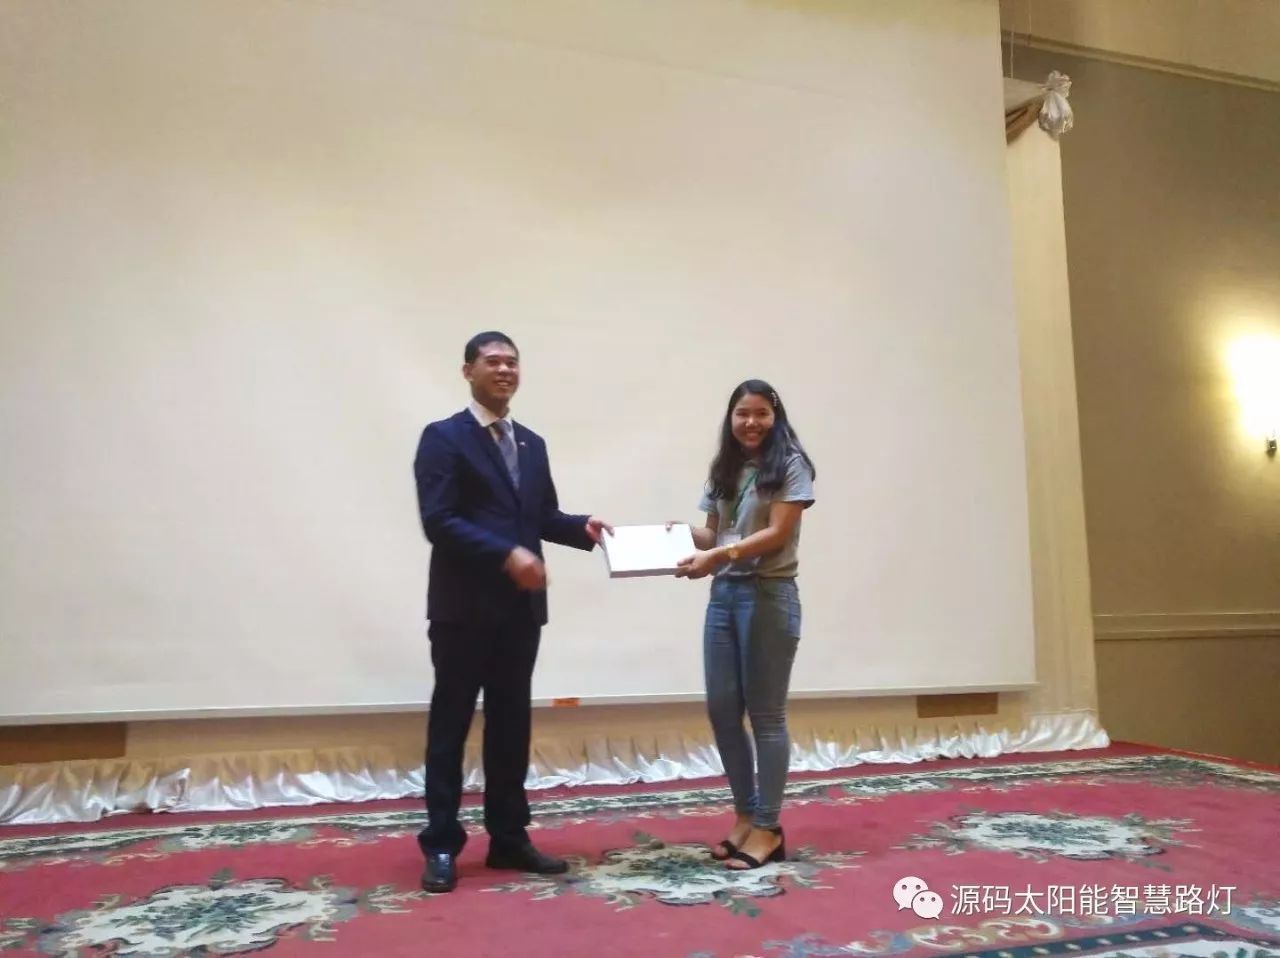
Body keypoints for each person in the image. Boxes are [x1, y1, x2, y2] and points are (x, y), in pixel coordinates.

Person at [412, 331, 612, 894]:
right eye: (492, 361)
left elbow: (539, 516)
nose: (504, 370)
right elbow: (439, 521)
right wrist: (507, 555)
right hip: (462, 610)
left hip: (520, 612)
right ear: (467, 371)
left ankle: (508, 838)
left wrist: (582, 528)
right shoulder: (443, 438)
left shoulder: (531, 443)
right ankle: (442, 844)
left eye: (512, 362)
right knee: (450, 727)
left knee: (510, 727)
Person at [672, 379, 816, 870]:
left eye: (760, 414)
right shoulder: (725, 467)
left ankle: (769, 828)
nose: (750, 422)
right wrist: (670, 535)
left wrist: (718, 555)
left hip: (768, 595)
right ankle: (745, 816)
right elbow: (712, 532)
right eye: (742, 414)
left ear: (775, 417)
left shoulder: (791, 464)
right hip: (724, 597)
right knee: (722, 710)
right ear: (730, 418)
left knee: (767, 715)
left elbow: (776, 534)